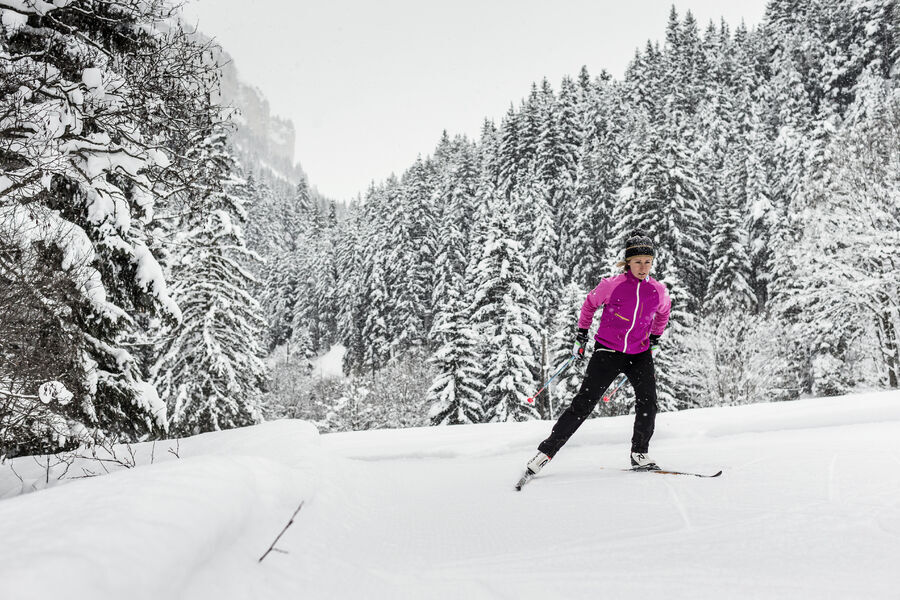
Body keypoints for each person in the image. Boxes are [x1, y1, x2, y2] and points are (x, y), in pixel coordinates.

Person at [525, 229, 671, 477]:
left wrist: (655, 336)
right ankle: (545, 453)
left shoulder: (657, 290)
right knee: (582, 405)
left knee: (649, 402)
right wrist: (581, 335)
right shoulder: (612, 286)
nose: (643, 267)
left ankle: (640, 453)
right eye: (638, 262)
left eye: (648, 262)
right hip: (607, 352)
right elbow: (590, 304)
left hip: (639, 354)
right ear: (628, 262)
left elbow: (664, 313)